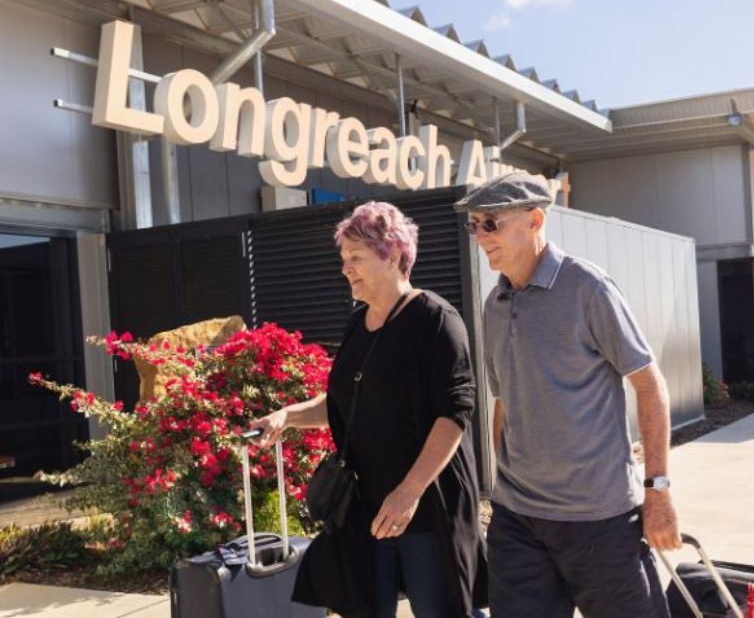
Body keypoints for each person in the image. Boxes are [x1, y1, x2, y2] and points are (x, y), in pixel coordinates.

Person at [454, 173, 682, 618]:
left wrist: (658, 491)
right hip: (518, 521)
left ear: (535, 220)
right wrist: (509, 475)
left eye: (491, 223)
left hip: (600, 521)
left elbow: (650, 387)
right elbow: (505, 402)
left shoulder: (589, 288)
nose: (480, 236)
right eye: (474, 225)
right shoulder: (494, 306)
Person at [251, 201, 487, 618]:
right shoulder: (358, 323)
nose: (346, 268)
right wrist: (288, 415)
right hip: (366, 505)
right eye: (344, 258)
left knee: (442, 610)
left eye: (356, 257)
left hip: (426, 504)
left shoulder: (435, 319)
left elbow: (454, 414)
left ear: (394, 254)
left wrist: (408, 493)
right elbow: (346, 400)